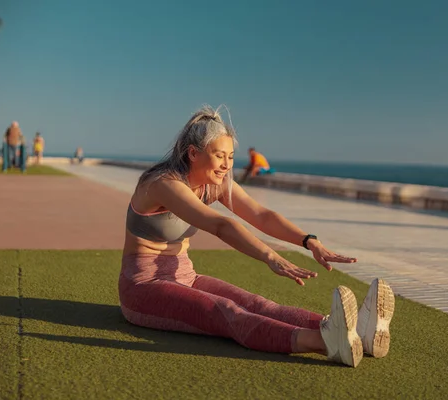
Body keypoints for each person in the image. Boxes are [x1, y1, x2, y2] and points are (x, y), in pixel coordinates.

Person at [119, 105, 395, 367]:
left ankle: (358, 333)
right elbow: (220, 225)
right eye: (219, 155)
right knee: (227, 311)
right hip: (144, 286)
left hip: (187, 276)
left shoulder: (214, 184)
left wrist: (308, 240)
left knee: (259, 305)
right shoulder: (162, 185)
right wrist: (270, 256)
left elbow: (260, 215)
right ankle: (326, 342)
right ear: (193, 153)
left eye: (230, 156)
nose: (227, 164)